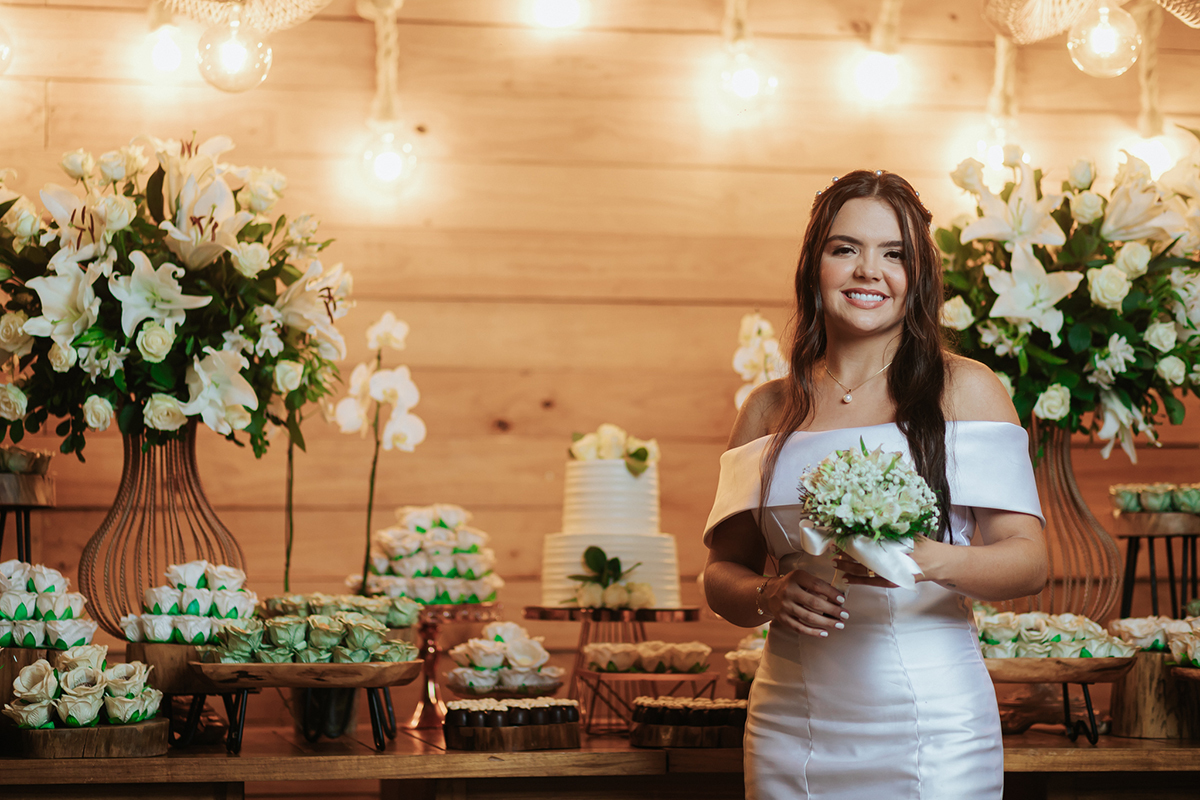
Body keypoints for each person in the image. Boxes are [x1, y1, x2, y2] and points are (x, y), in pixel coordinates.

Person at [702, 170, 1048, 800]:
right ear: (815, 267)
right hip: (791, 723)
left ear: (917, 277)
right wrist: (769, 594)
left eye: (894, 255)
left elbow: (1029, 562)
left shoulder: (966, 390)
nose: (869, 270)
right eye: (845, 249)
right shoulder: (766, 409)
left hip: (934, 723)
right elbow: (722, 573)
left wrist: (926, 558)